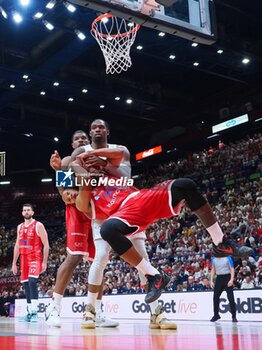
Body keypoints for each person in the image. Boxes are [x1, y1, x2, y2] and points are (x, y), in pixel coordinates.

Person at [73, 146, 253, 303]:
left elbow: (121, 153)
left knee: (185, 185)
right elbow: (78, 186)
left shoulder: (109, 167)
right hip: (122, 214)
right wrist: (74, 163)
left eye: (91, 164)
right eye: (86, 165)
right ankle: (149, 277)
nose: (90, 165)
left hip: (141, 197)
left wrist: (93, 155)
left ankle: (220, 242)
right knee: (104, 239)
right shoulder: (80, 188)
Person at [70, 119, 176, 330]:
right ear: (89, 134)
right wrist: (82, 177)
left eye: (101, 127)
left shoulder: (118, 151)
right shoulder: (81, 155)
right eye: (94, 128)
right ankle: (89, 310)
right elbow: (71, 182)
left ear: (108, 131)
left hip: (127, 206)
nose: (97, 130)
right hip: (101, 212)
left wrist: (105, 166)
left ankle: (156, 313)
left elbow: (127, 178)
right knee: (100, 257)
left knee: (142, 258)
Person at [46, 130, 118, 328]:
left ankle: (97, 310)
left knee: (99, 260)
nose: (80, 141)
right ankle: (54, 307)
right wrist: (62, 187)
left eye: (83, 139)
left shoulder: (97, 158)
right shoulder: (70, 159)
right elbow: (64, 189)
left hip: (97, 210)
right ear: (72, 144)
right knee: (74, 257)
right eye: (77, 139)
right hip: (77, 209)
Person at [12, 203, 49, 322]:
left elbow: (46, 245)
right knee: (26, 285)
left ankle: (34, 312)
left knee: (32, 281)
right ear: (22, 213)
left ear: (32, 212)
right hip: (23, 258)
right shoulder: (19, 227)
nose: (26, 212)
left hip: (35, 257)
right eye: (24, 210)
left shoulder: (38, 225)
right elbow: (17, 245)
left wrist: (44, 262)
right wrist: (14, 263)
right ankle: (29, 312)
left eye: (28, 210)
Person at [210, 255, 237, 322]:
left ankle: (234, 316)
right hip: (219, 278)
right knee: (215, 297)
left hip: (227, 277)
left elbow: (232, 268)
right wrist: (211, 280)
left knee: (230, 297)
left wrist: (231, 279)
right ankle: (216, 315)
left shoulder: (228, 257)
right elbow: (213, 270)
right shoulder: (214, 259)